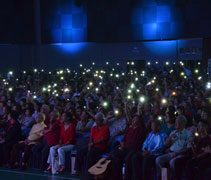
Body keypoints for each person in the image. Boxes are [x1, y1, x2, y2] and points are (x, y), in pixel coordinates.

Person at [156, 115, 192, 180]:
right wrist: (170, 138)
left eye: (177, 122)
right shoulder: (173, 132)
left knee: (172, 162)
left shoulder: (188, 134)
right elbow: (166, 145)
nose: (175, 123)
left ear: (183, 123)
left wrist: (177, 153)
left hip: (181, 154)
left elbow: (188, 148)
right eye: (175, 121)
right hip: (171, 153)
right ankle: (164, 178)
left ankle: (172, 178)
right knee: (159, 159)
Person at [75, 112, 110, 180]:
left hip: (101, 147)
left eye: (98, 120)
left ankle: (89, 173)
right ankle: (78, 170)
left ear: (102, 120)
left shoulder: (106, 128)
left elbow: (102, 140)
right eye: (96, 120)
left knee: (90, 154)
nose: (97, 121)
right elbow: (91, 137)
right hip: (93, 145)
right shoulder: (94, 128)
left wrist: (92, 144)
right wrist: (89, 145)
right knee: (80, 152)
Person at [111, 114, 146, 180]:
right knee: (116, 155)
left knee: (128, 158)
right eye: (133, 119)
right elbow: (124, 139)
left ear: (139, 121)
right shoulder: (129, 129)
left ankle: (127, 178)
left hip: (134, 149)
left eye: (135, 119)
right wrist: (122, 144)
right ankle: (117, 177)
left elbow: (140, 141)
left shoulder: (140, 129)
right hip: (126, 148)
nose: (133, 120)